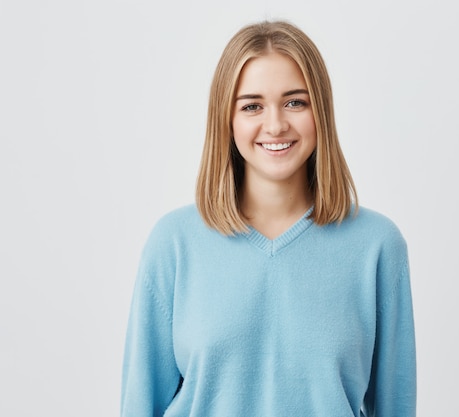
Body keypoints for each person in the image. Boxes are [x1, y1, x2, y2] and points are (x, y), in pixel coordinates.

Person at [121, 20, 416, 416]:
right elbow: (140, 405)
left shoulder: (377, 246)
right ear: (227, 119)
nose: (275, 124)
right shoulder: (173, 243)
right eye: (252, 106)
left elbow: (395, 405)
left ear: (321, 113)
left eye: (295, 101)